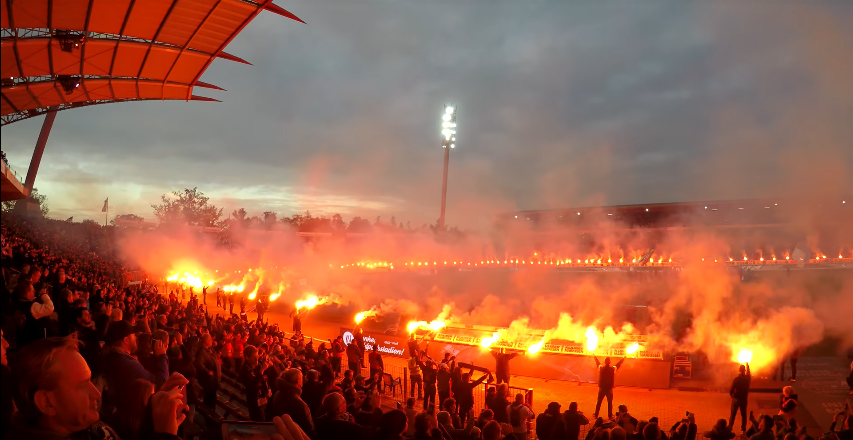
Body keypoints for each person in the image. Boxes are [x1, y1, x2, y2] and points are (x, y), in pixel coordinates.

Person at [7, 337, 184, 440]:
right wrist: (165, 436)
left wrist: (152, 417)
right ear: (47, 402)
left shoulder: (83, 429)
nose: (97, 393)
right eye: (82, 385)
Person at [102, 320, 169, 410]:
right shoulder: (125, 363)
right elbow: (161, 384)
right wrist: (162, 356)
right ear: (126, 340)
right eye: (133, 335)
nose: (136, 338)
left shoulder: (114, 357)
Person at [269, 368, 315, 437]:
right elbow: (309, 429)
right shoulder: (300, 404)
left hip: (279, 431)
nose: (304, 379)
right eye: (302, 377)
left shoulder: (277, 394)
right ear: (298, 381)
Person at [239, 345, 270, 421]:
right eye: (254, 357)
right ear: (247, 357)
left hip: (262, 397)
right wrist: (261, 371)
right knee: (259, 420)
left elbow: (263, 378)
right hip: (254, 400)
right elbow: (252, 386)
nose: (257, 359)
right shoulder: (244, 370)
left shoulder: (257, 365)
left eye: (257, 356)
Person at [593, 355, 626, 419]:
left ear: (604, 362)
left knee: (599, 402)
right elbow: (618, 365)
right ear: (610, 362)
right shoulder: (612, 369)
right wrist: (623, 359)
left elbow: (597, 363)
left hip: (602, 388)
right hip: (609, 389)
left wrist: (594, 356)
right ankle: (610, 415)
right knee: (610, 403)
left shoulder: (601, 368)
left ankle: (596, 414)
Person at [195, 333, 221, 409]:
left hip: (212, 381)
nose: (211, 341)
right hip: (208, 381)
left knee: (212, 399)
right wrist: (207, 371)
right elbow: (199, 364)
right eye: (210, 339)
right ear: (206, 341)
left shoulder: (209, 349)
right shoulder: (202, 352)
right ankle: (209, 418)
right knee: (209, 401)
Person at [729, 363, 752, 433]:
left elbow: (731, 389)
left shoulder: (737, 379)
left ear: (739, 370)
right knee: (744, 415)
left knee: (733, 415)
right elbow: (749, 374)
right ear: (744, 371)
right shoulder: (747, 379)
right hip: (744, 399)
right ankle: (743, 430)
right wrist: (748, 366)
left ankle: (730, 428)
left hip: (736, 399)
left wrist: (732, 395)